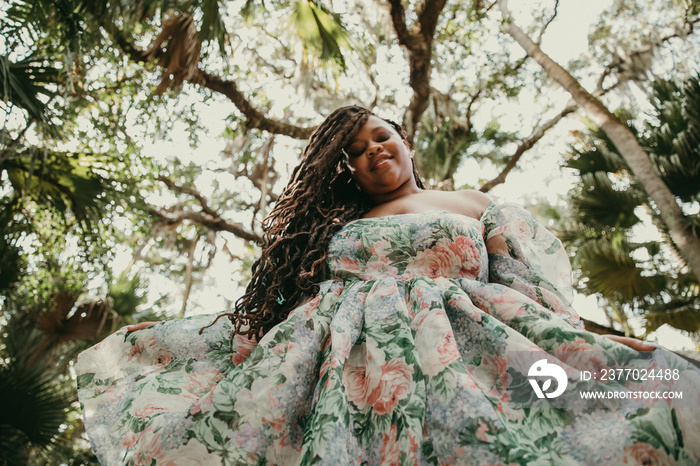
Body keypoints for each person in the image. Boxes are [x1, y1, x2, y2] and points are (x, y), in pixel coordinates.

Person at [78, 106, 699, 465]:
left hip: (470, 351)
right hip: (349, 371)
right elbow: (282, 314)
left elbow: (531, 289)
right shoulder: (335, 229)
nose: (373, 149)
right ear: (344, 172)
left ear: (403, 140)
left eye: (381, 135)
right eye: (354, 151)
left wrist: (566, 351)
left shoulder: (475, 202)